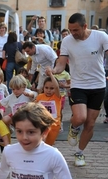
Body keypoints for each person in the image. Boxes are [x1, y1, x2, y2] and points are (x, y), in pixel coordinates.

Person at [51, 12, 108, 167]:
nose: (73, 33)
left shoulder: (101, 37)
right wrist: (55, 70)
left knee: (90, 123)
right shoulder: (67, 41)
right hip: (78, 85)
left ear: (85, 26)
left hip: (98, 85)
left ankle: (80, 152)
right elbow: (62, 63)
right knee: (80, 118)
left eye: (76, 30)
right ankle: (74, 128)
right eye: (70, 30)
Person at [35, 68, 61, 146]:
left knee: (49, 145)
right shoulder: (40, 97)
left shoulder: (56, 97)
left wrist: (51, 75)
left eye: (51, 88)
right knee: (41, 142)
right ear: (43, 87)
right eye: (46, 88)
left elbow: (56, 87)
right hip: (42, 123)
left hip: (54, 124)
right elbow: (33, 106)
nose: (48, 90)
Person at [53, 65, 71, 131]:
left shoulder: (66, 74)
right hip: (53, 95)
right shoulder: (53, 74)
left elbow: (70, 84)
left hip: (62, 95)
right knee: (54, 110)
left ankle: (60, 123)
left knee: (59, 110)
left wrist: (64, 86)